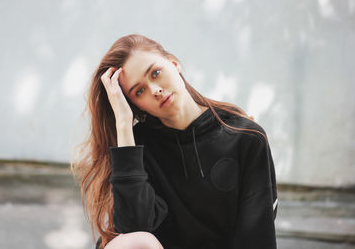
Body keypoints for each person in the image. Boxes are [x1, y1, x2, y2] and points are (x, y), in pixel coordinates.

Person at [71, 34, 278, 249]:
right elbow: (132, 228)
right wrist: (123, 124)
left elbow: (257, 235)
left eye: (156, 73)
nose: (155, 90)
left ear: (173, 63)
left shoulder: (246, 138)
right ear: (134, 105)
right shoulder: (136, 149)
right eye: (139, 91)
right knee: (135, 242)